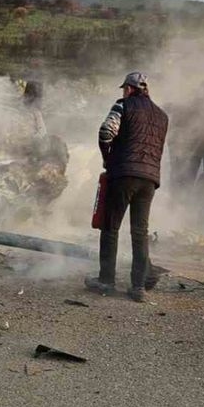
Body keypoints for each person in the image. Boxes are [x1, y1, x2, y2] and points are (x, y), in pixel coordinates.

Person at [86, 72, 170, 303]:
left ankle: (106, 282)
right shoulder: (162, 116)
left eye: (124, 88)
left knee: (110, 227)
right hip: (150, 179)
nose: (123, 92)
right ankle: (138, 288)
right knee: (139, 233)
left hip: (123, 174)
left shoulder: (123, 105)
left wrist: (108, 158)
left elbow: (106, 132)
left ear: (130, 89)